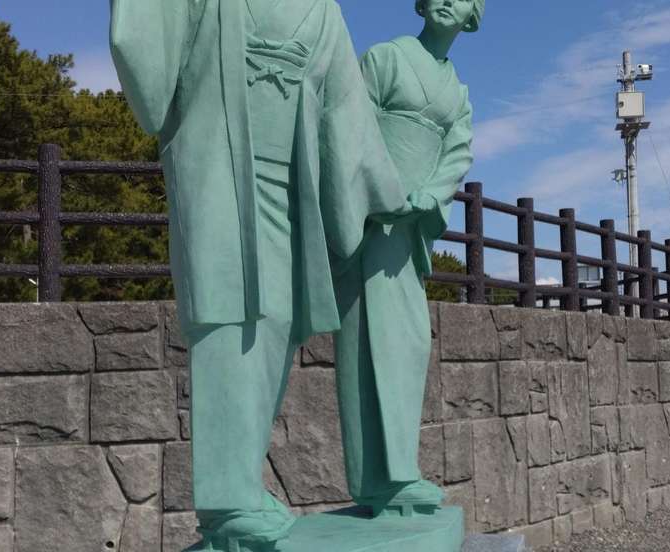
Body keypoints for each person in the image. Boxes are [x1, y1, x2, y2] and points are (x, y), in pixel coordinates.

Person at [109, 0, 412, 550]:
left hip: (291, 185)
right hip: (217, 167)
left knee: (276, 322)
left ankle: (242, 486)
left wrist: (382, 193)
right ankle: (227, 502)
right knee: (226, 313)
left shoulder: (324, 12)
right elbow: (147, 41)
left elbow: (347, 111)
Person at [333, 0, 481, 517]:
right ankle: (379, 480)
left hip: (411, 223)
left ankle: (397, 470)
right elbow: (350, 126)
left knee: (409, 340)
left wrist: (430, 196)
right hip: (372, 217)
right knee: (366, 338)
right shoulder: (385, 58)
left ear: (473, 16)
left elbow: (458, 153)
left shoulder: (458, 94)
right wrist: (382, 191)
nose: (446, 0)